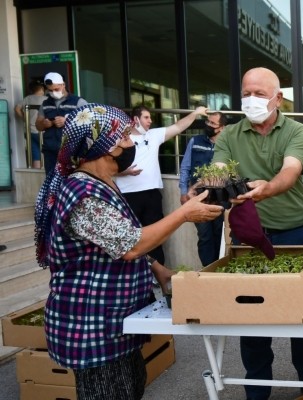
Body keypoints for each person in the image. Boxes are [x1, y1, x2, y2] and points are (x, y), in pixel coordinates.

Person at [33, 103, 223, 400]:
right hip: (93, 327)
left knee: (131, 386)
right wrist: (184, 213)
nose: (131, 141)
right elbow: (131, 245)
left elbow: (111, 240)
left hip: (113, 322)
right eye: (123, 136)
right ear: (103, 145)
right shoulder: (83, 194)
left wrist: (158, 269)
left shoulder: (102, 183)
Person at [211, 67, 303, 400]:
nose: (251, 99)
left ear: (278, 98)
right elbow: (218, 174)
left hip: (296, 234)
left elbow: (290, 172)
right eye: (246, 93)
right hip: (250, 240)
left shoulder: (296, 130)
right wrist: (207, 190)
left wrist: (265, 189)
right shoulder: (230, 134)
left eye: (259, 94)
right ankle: (257, 391)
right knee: (252, 316)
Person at [114, 104, 208, 265]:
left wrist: (196, 113)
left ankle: (159, 277)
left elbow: (178, 126)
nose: (150, 121)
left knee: (156, 236)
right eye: (146, 117)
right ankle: (136, 274)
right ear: (135, 119)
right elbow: (107, 168)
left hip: (152, 194)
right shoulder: (121, 139)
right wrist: (125, 172)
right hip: (127, 195)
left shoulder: (154, 135)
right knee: (131, 238)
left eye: (150, 117)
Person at [179, 111, 228, 266]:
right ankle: (208, 269)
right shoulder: (195, 141)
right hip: (199, 197)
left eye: (213, 123)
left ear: (222, 127)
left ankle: (220, 269)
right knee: (205, 235)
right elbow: (185, 167)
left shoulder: (227, 144)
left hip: (221, 197)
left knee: (220, 234)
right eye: (208, 122)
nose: (208, 125)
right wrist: (183, 191)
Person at [35, 72, 88, 175]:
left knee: (72, 181)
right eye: (50, 90)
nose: (53, 92)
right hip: (51, 151)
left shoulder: (78, 102)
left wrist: (67, 120)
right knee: (51, 182)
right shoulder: (45, 104)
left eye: (56, 89)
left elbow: (89, 122)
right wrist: (44, 124)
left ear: (63, 85)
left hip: (72, 150)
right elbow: (38, 125)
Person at [15, 79, 47, 168]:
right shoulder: (46, 99)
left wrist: (25, 119)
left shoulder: (28, 98)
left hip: (29, 131)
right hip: (42, 132)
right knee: (48, 153)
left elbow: (17, 108)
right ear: (42, 89)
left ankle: (36, 174)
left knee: (35, 154)